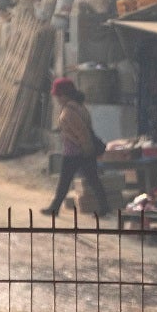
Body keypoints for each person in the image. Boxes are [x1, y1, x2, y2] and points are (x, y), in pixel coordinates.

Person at [41, 77, 109, 217]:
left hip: (75, 152)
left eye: (58, 95)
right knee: (93, 180)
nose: (57, 98)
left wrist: (87, 149)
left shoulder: (69, 111)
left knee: (65, 182)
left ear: (64, 95)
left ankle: (54, 208)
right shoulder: (80, 106)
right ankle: (104, 206)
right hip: (83, 151)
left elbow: (82, 132)